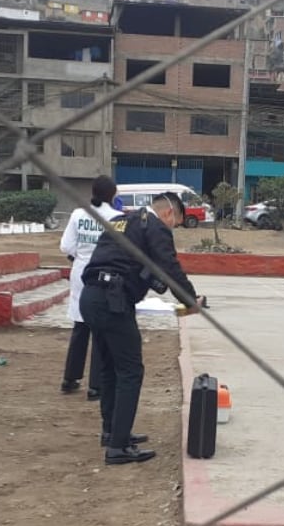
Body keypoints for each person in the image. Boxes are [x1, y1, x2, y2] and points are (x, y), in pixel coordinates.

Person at [80, 192, 205, 465]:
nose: (173, 229)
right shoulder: (156, 225)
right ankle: (118, 447)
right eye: (177, 223)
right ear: (169, 213)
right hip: (113, 300)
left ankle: (112, 432)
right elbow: (169, 265)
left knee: (111, 368)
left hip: (91, 297)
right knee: (130, 371)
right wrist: (189, 299)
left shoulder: (122, 221)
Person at [60, 176, 121, 399]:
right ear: (112, 195)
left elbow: (65, 246)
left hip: (80, 273)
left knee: (80, 327)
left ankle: (70, 379)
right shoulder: (116, 218)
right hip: (104, 277)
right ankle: (96, 385)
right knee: (101, 332)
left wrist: (81, 255)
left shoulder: (78, 214)